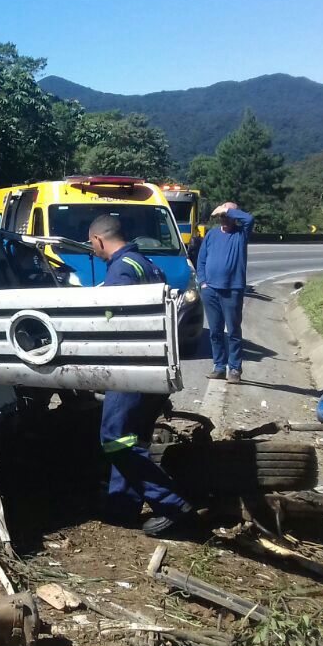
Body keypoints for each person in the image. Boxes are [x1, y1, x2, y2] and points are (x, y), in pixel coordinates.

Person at [88, 214, 197, 538]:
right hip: (153, 368)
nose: (93, 252)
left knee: (115, 440)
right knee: (132, 439)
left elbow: (113, 317)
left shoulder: (122, 269)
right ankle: (122, 505)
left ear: (98, 240)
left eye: (92, 246)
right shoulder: (147, 264)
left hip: (131, 369)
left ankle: (172, 506)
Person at [195, 200, 255, 384]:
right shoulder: (212, 235)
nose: (224, 219)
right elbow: (201, 261)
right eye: (222, 216)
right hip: (210, 290)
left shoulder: (241, 234)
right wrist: (203, 282)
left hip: (233, 289)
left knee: (233, 331)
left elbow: (249, 219)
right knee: (215, 331)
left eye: (227, 216)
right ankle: (219, 366)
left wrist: (227, 209)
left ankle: (235, 368)